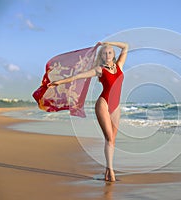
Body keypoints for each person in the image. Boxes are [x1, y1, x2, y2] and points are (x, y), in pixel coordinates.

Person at [48, 41, 128, 182]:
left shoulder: (119, 66)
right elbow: (79, 76)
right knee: (109, 138)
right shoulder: (99, 69)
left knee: (112, 141)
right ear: (101, 56)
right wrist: (60, 82)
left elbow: (126, 46)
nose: (108, 54)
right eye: (104, 53)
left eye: (110, 52)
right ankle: (111, 171)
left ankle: (106, 171)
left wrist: (108, 43)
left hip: (116, 107)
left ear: (114, 54)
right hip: (103, 104)